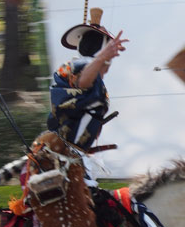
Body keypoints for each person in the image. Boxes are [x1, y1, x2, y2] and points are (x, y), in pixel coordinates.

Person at [47, 8, 128, 155]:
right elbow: (83, 82)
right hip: (63, 155)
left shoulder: (81, 68)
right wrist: (101, 58)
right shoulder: (82, 67)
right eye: (110, 55)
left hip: (68, 152)